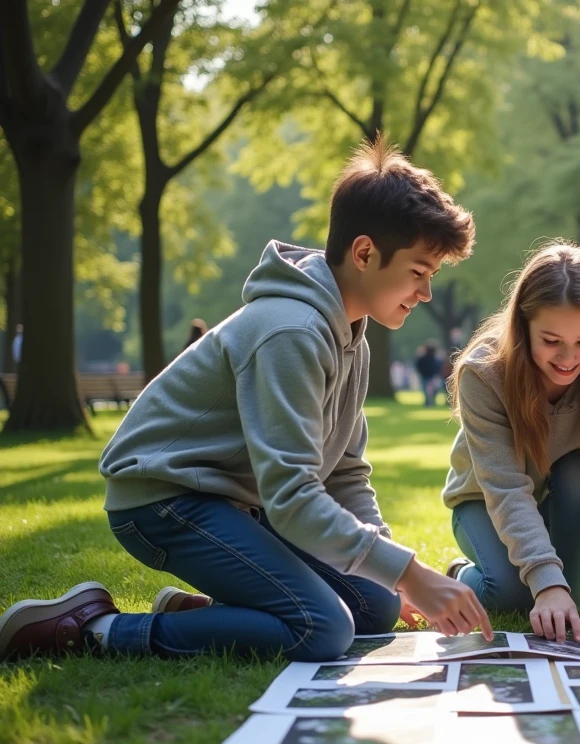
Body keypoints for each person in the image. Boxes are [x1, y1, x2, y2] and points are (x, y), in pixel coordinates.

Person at [0, 136, 492, 662]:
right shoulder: (292, 331)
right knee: (322, 630)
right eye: (418, 272)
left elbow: (345, 473)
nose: (426, 293)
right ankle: (94, 629)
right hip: (163, 501)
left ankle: (209, 613)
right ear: (365, 253)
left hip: (234, 503)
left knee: (376, 603)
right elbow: (293, 497)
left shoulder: (352, 336)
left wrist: (394, 571)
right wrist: (410, 572)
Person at [443, 241, 580, 644]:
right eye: (551, 341)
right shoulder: (483, 373)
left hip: (566, 494)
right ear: (523, 328)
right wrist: (546, 581)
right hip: (483, 501)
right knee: (513, 594)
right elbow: (505, 489)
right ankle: (458, 576)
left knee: (578, 597)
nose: (568, 359)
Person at [415, 341, 443, 406]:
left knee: (426, 390)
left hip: (425, 376)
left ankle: (428, 402)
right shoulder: (435, 359)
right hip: (432, 376)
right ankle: (431, 401)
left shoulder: (422, 358)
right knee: (433, 390)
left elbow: (418, 366)